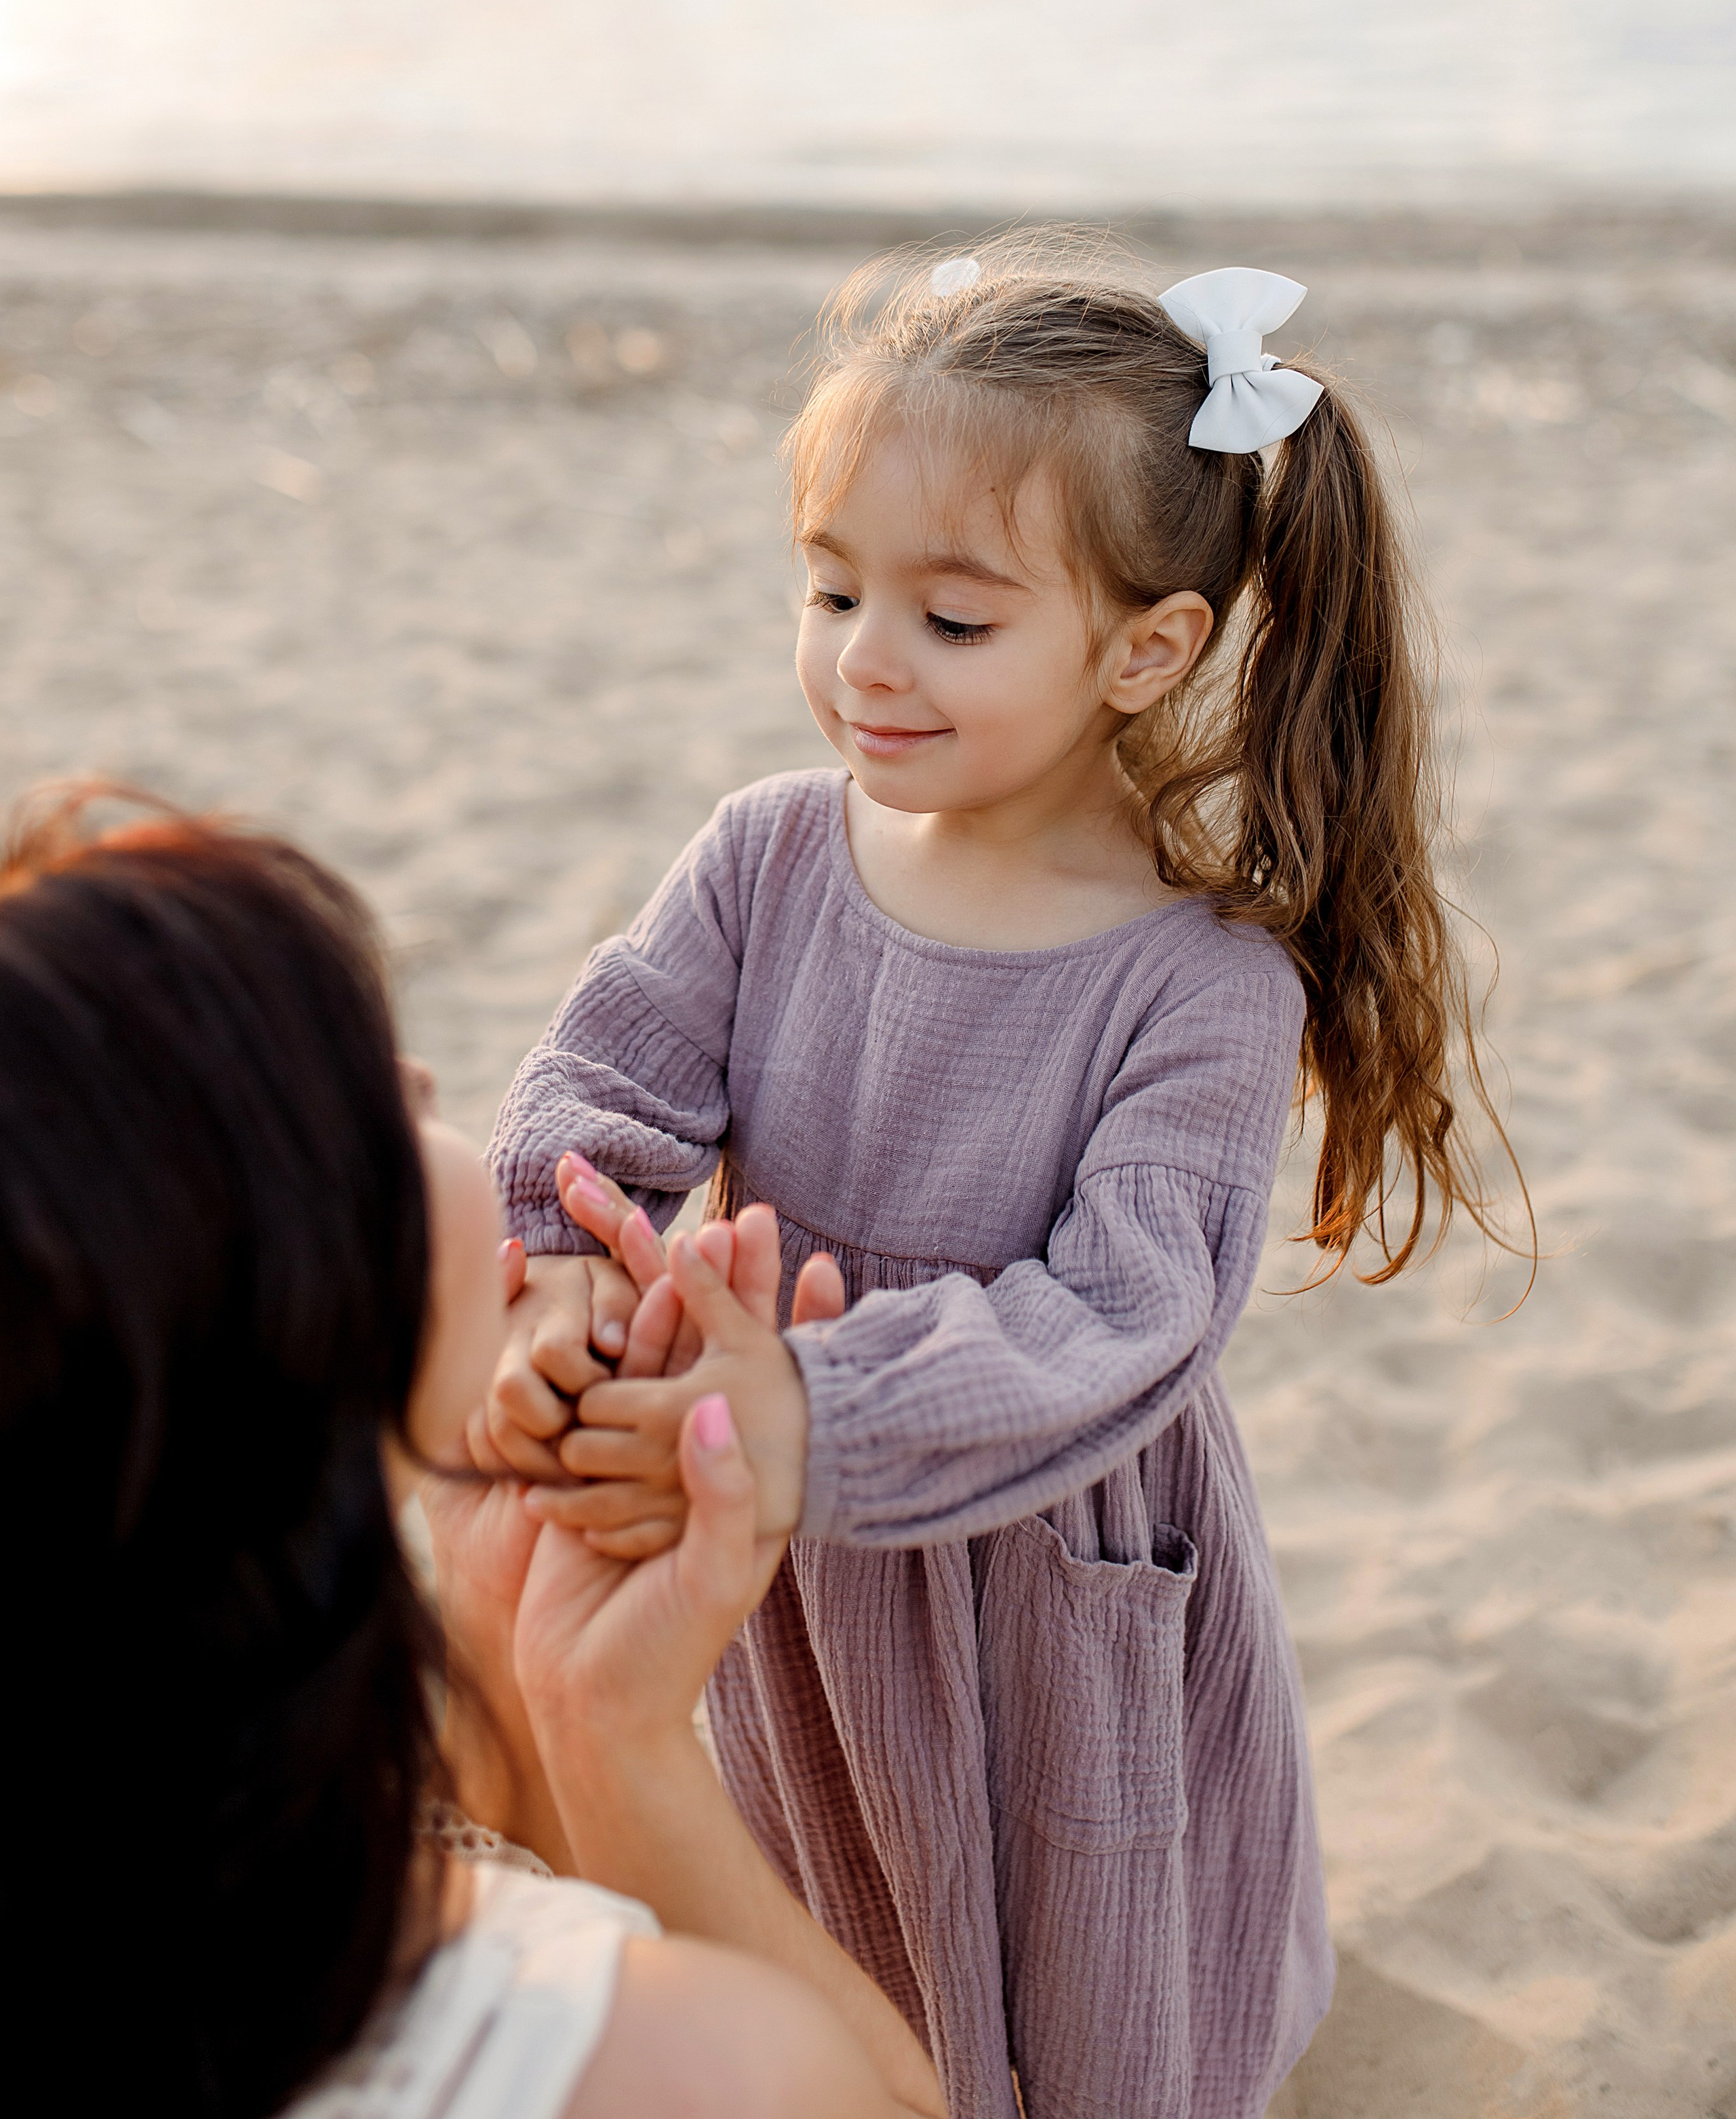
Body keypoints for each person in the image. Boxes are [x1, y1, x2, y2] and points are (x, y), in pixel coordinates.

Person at [486, 237, 1531, 2119]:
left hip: (1050, 1570)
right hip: (805, 1554)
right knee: (846, 1894)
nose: (864, 659)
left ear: (1148, 649)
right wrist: (564, 1272)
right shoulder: (765, 861)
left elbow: (1124, 1313)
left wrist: (817, 1409)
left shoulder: (1199, 982)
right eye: (830, 590)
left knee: (1087, 1968)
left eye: (953, 621)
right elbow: (601, 1086)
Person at [0, 788, 941, 2119]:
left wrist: (519, 1663)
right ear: (279, 1291)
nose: (423, 1087)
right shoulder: (685, 2071)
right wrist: (623, 1745)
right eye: (368, 1101)